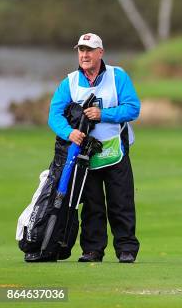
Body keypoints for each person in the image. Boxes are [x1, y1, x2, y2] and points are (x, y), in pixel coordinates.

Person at [48, 33, 141, 263]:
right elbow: (54, 115)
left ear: (101, 52)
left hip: (115, 150)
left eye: (90, 50)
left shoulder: (117, 76)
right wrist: (69, 133)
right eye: (81, 50)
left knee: (121, 201)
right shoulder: (69, 82)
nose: (85, 55)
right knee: (92, 203)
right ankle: (92, 250)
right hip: (85, 153)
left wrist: (103, 114)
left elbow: (132, 108)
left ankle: (126, 249)